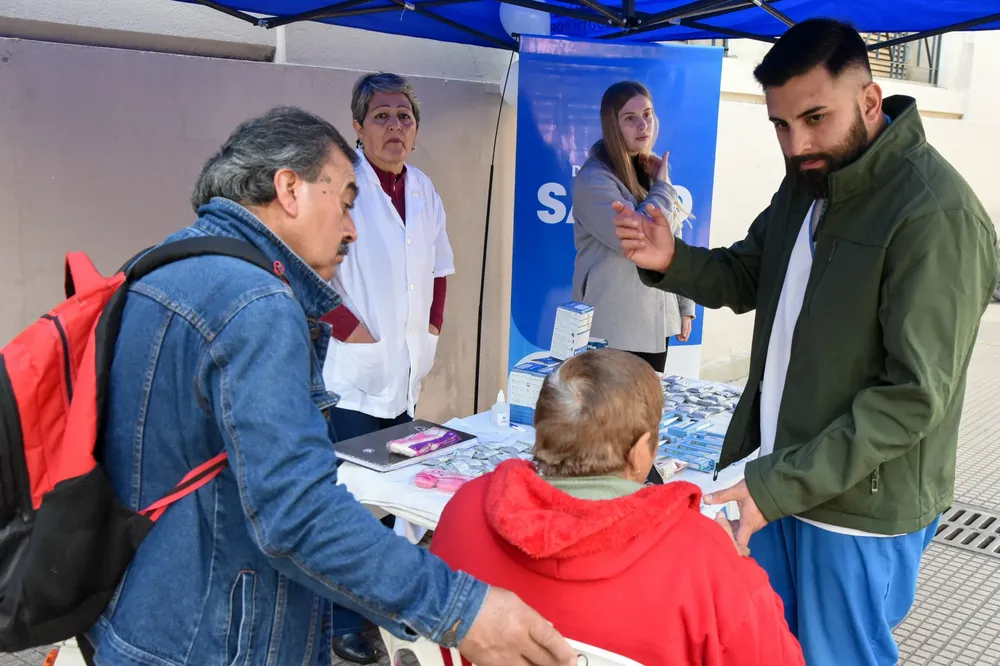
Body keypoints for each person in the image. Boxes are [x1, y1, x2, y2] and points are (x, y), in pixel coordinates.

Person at [86, 106, 576, 666]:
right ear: (289, 189)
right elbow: (298, 513)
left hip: (138, 621)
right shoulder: (257, 305)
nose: (351, 228)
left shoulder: (156, 266)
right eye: (344, 201)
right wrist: (462, 610)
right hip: (219, 640)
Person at [613, 19, 999, 666]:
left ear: (871, 102)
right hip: (777, 474)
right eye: (782, 125)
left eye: (815, 117)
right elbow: (746, 273)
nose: (798, 143)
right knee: (766, 650)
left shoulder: (937, 214)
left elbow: (911, 398)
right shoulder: (811, 181)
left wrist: (774, 486)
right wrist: (671, 258)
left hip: (855, 507)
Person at [430, 349, 805, 666]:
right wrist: (741, 567)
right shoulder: (704, 558)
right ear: (641, 450)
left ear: (541, 431)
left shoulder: (466, 510)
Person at [319, 71, 452, 663]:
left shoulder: (423, 188)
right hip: (354, 377)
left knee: (395, 496)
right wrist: (352, 330)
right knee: (349, 503)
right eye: (382, 116)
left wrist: (429, 333)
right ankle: (343, 621)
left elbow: (440, 269)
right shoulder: (337, 186)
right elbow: (303, 266)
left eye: (404, 117)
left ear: (416, 131)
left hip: (404, 374)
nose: (394, 127)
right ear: (357, 126)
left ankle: (377, 602)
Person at [571, 81, 694, 373]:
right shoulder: (594, 180)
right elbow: (639, 240)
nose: (643, 125)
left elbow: (672, 244)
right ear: (612, 125)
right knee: (612, 415)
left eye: (648, 114)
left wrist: (684, 306)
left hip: (655, 326)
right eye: (630, 118)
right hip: (613, 329)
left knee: (645, 415)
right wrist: (663, 187)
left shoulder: (649, 174)